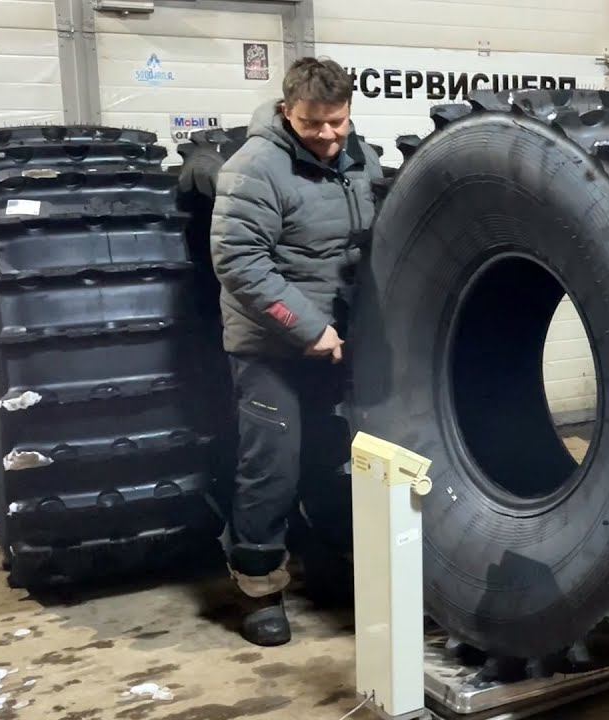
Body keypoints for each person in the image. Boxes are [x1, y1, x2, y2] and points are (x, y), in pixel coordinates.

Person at [210, 57, 384, 646]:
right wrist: (308, 328)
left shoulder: (360, 159)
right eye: (313, 124)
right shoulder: (255, 167)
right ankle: (260, 588)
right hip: (271, 350)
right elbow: (239, 261)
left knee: (336, 461)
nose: (329, 135)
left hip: (336, 346)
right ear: (287, 112)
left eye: (338, 121)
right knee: (272, 469)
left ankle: (330, 563)